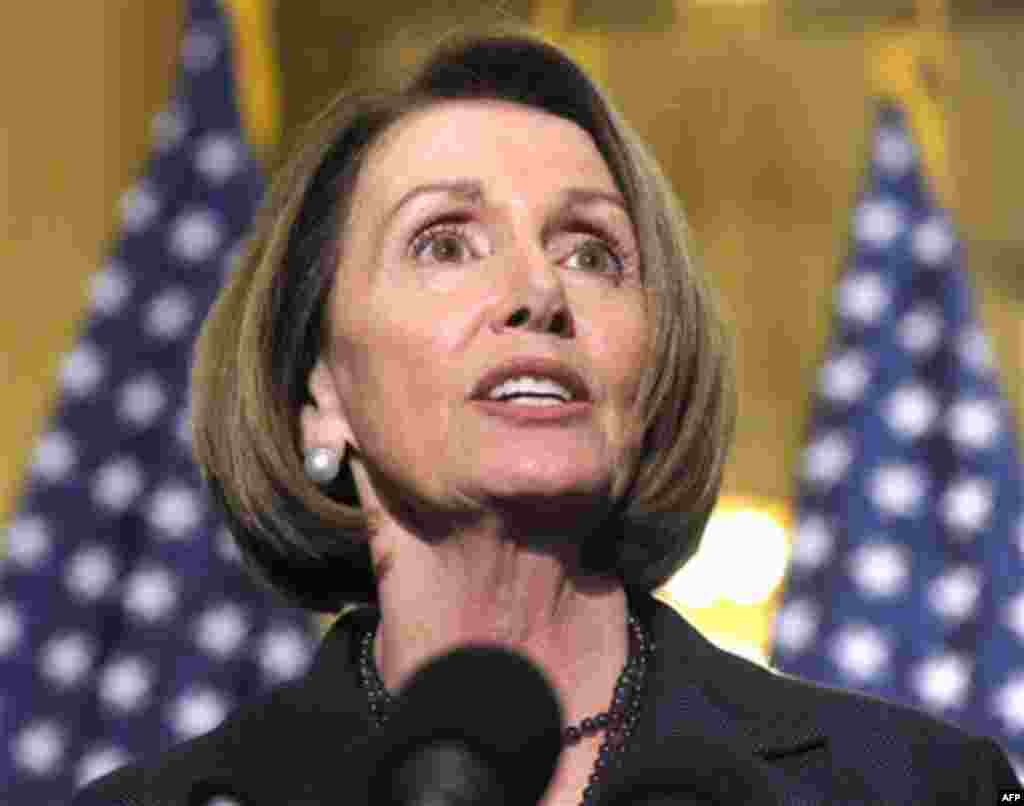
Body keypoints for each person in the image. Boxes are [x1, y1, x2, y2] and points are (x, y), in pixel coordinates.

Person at [73, 25, 1018, 806]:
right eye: (445, 243)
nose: (538, 291)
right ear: (320, 398)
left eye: (594, 254)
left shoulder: (914, 787)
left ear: (653, 375)